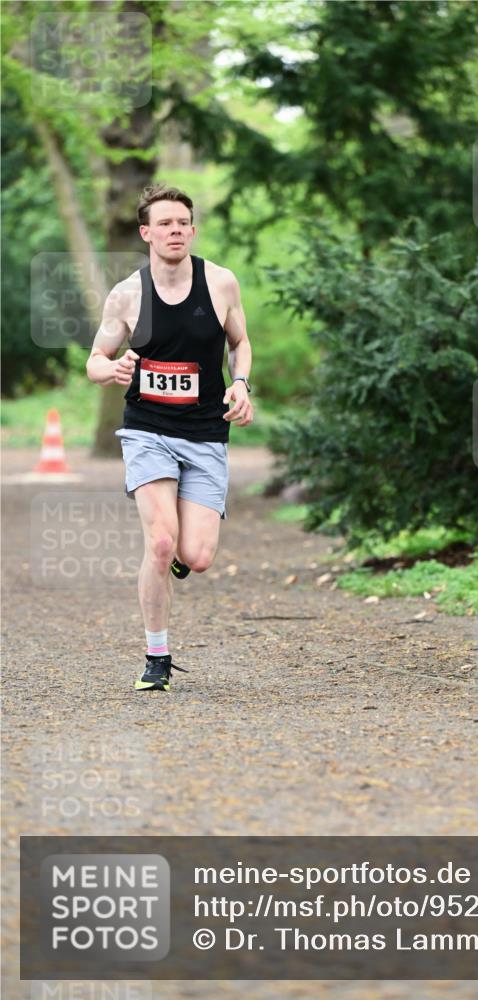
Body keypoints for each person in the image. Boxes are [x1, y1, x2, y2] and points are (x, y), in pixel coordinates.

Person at [86, 183, 253, 692]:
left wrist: (241, 383)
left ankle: (181, 555)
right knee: (159, 543)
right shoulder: (128, 295)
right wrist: (111, 369)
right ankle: (156, 656)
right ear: (146, 233)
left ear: (192, 229)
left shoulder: (220, 283)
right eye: (164, 223)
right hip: (148, 430)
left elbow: (240, 343)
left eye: (182, 222)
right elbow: (94, 361)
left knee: (196, 557)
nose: (174, 230)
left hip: (205, 432)